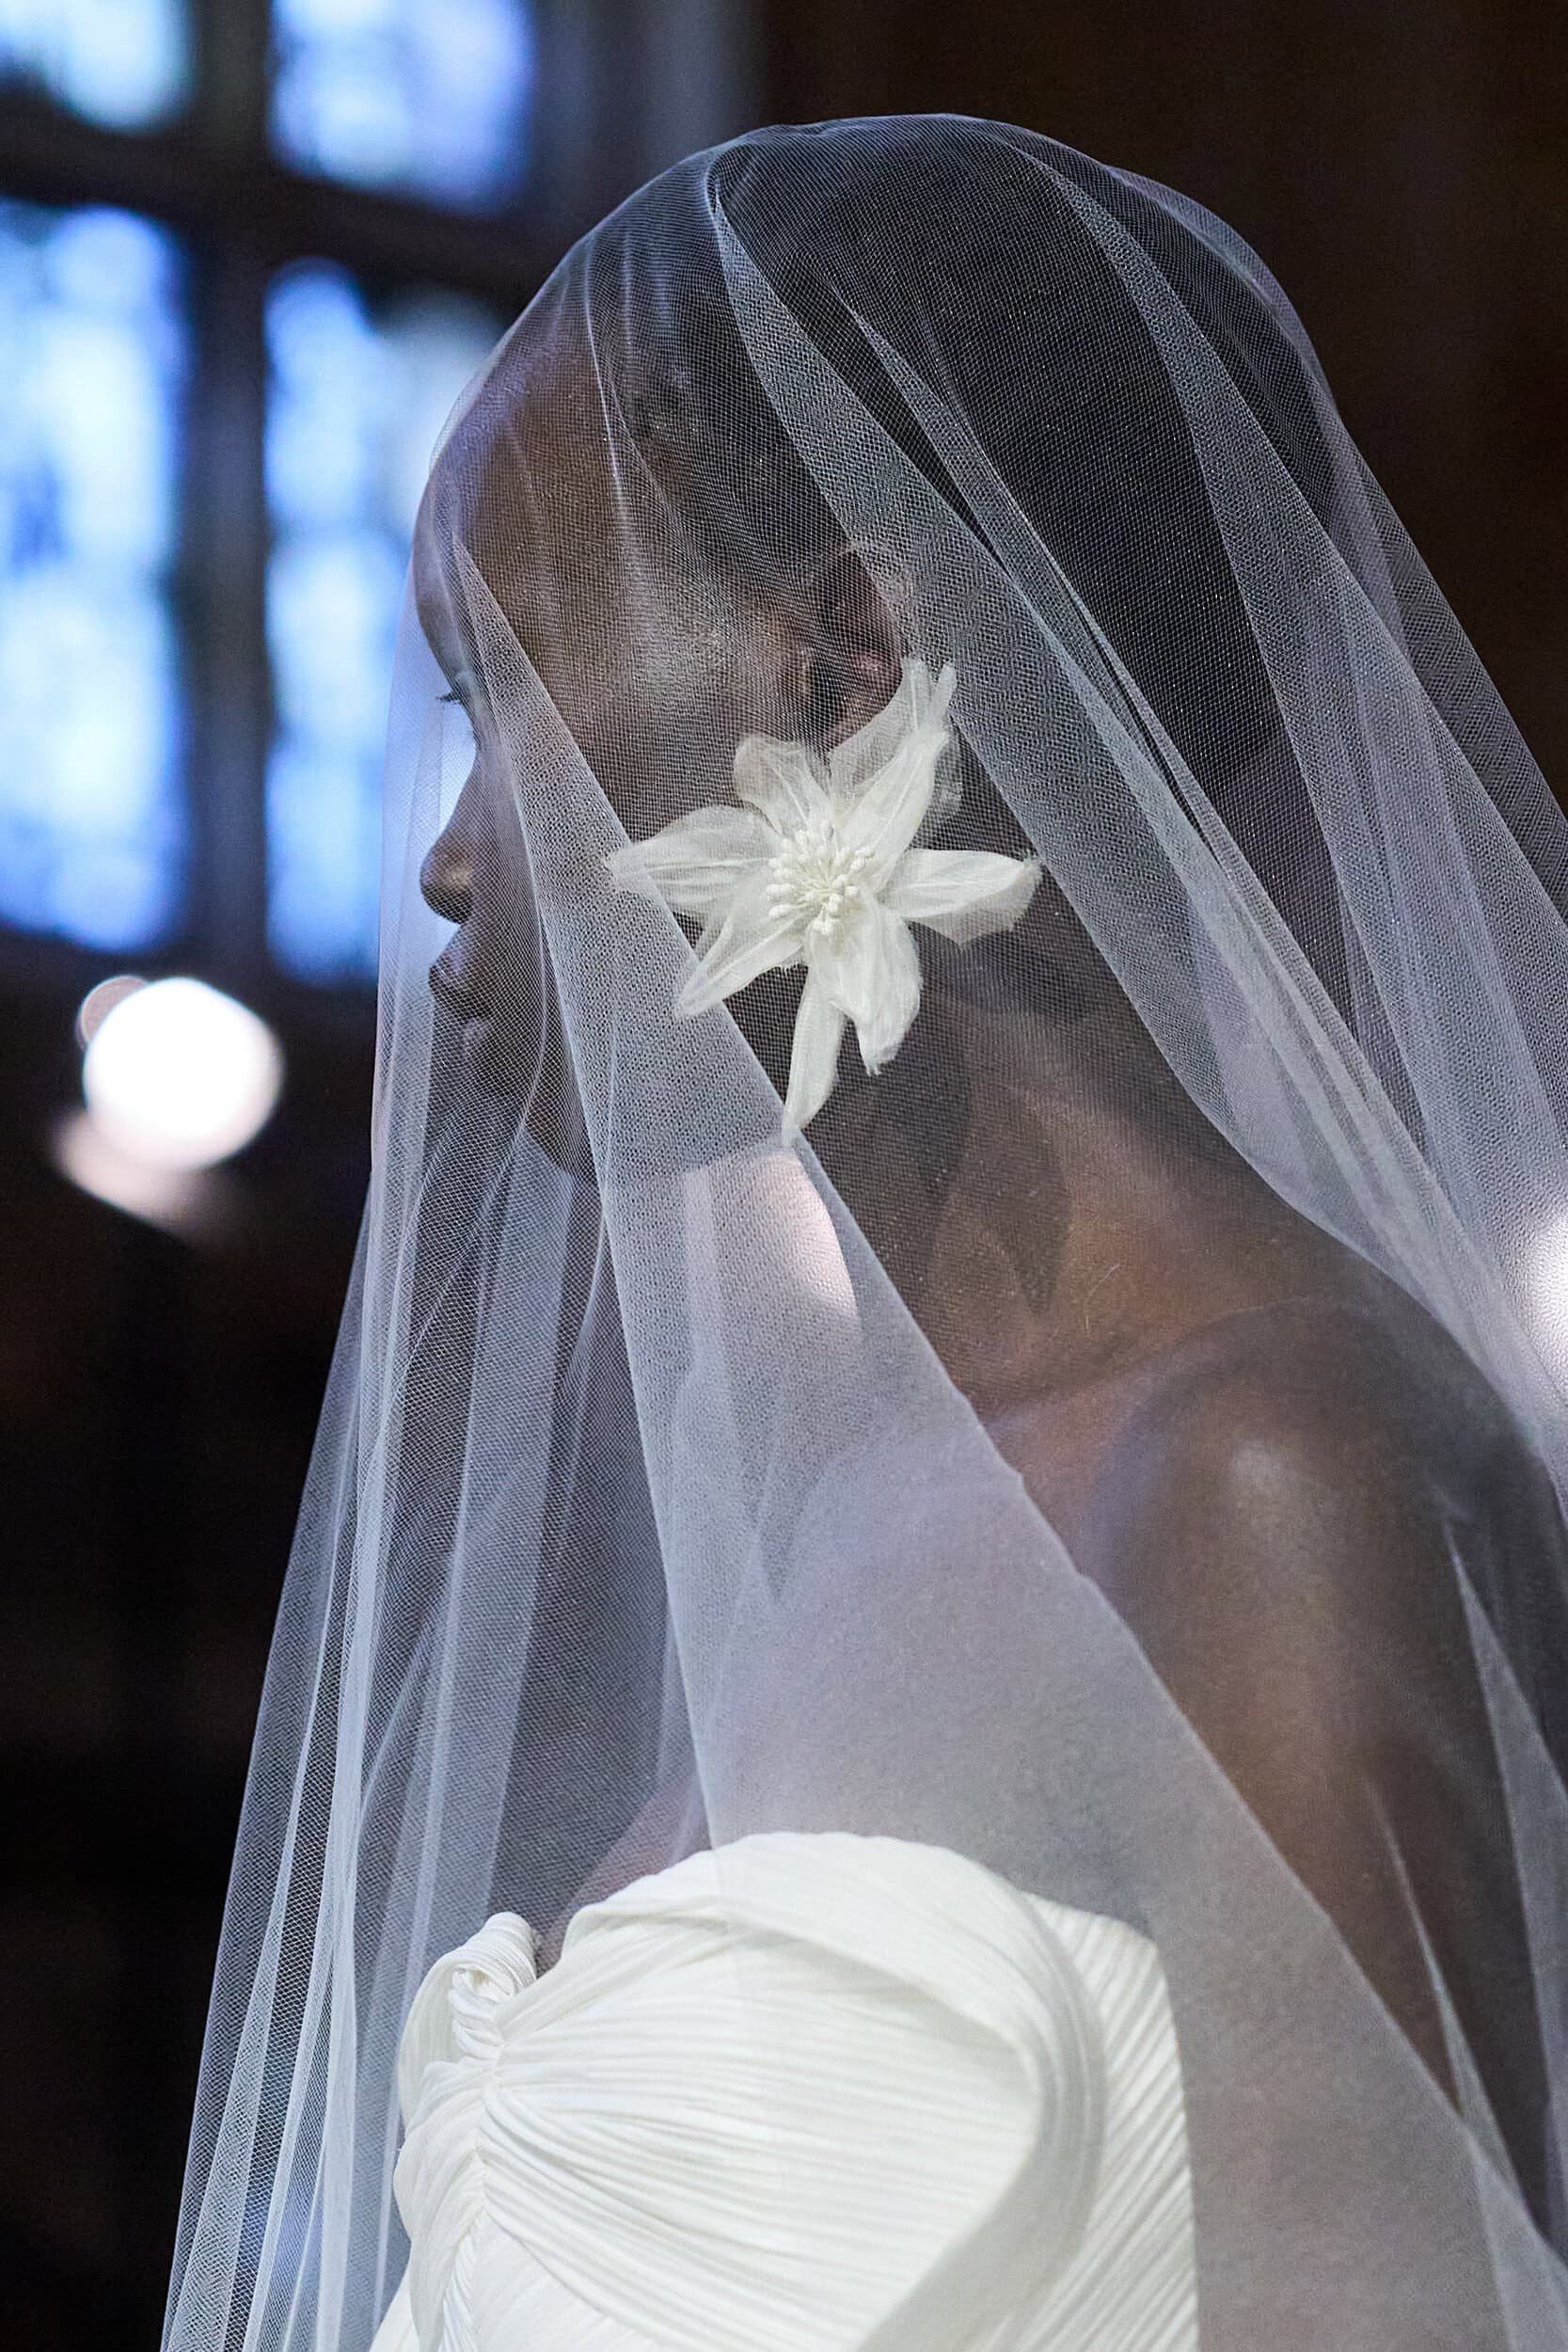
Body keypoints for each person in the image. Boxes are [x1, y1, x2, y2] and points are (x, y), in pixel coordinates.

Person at [165, 120, 1568, 2352]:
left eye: (500, 686)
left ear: (844, 655)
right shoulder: (840, 1512)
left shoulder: (1258, 1477)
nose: (447, 858)